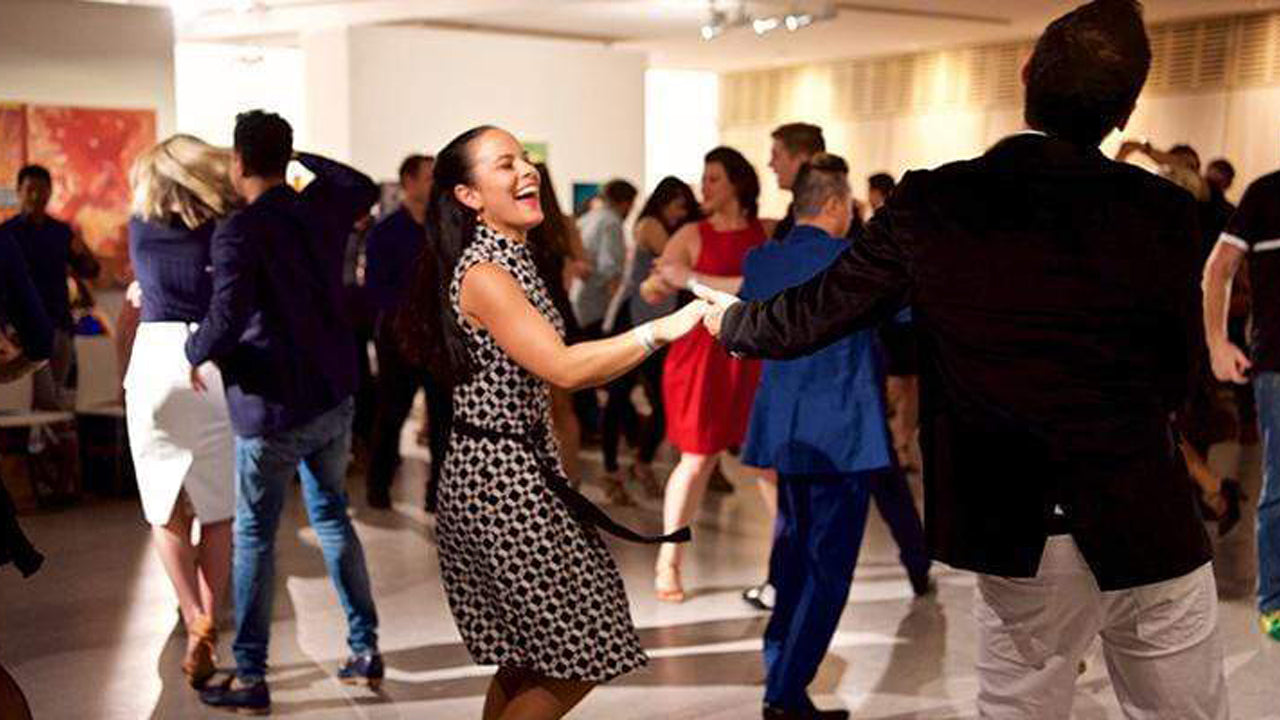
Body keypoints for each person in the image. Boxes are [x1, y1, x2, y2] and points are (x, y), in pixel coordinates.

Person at [702, 1, 1228, 716]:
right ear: (1126, 110)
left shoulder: (936, 199)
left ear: (1026, 74)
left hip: (1018, 519)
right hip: (1145, 508)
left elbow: (820, 310)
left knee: (1018, 705)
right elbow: (1176, 372)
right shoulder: (1165, 210)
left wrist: (733, 320)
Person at [397, 125, 706, 720]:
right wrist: (660, 330)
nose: (526, 171)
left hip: (515, 471)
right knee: (582, 646)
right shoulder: (487, 273)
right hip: (501, 484)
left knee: (531, 654)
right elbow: (563, 367)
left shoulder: (512, 258)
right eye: (504, 164)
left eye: (525, 159)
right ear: (469, 195)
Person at [189, 111, 383, 714]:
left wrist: (192, 351)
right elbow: (361, 184)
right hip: (331, 393)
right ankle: (365, 648)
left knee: (254, 537)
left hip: (271, 407)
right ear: (285, 156)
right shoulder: (318, 206)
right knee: (333, 519)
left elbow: (225, 321)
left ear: (237, 162)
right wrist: (301, 159)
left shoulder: (239, 230)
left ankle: (251, 676)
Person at [738, 153, 917, 720]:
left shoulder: (763, 259)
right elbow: (908, 321)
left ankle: (779, 670)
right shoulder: (853, 262)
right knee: (827, 570)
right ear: (837, 204)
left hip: (785, 432)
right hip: (841, 434)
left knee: (792, 558)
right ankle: (786, 692)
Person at [123, 134, 241, 690]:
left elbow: (145, 292)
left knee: (164, 509)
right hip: (207, 361)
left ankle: (193, 615)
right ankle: (212, 616)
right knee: (217, 510)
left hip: (153, 360)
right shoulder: (221, 226)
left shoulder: (139, 226)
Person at [641, 146, 766, 603]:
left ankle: (784, 566)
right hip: (701, 359)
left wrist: (688, 277)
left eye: (713, 178)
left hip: (751, 355)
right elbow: (653, 289)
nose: (704, 187)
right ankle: (668, 561)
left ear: (737, 183)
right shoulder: (692, 232)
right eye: (704, 177)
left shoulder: (767, 232)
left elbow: (761, 287)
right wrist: (658, 282)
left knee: (768, 463)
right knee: (696, 460)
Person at [1205, 165, 1280, 641]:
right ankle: (1274, 599)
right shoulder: (1267, 194)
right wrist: (1217, 343)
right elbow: (1219, 268)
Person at [599, 177, 701, 501]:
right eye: (677, 206)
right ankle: (611, 471)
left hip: (656, 324)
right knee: (618, 398)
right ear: (663, 202)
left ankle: (641, 463)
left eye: (685, 208)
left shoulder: (673, 229)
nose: (680, 213)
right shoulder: (650, 225)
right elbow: (676, 260)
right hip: (630, 319)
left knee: (661, 402)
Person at [365, 153, 455, 511]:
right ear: (409, 181)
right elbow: (377, 290)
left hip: (439, 339)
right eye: (430, 177)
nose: (436, 184)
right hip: (398, 339)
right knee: (391, 414)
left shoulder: (444, 229)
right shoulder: (386, 231)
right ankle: (378, 487)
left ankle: (438, 494)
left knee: (443, 420)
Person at [1, 164, 101, 410]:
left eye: (42, 190)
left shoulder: (61, 232)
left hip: (60, 324)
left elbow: (90, 270)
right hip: (22, 329)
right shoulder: (7, 233)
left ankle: (47, 435)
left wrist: (82, 250)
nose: (36, 196)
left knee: (55, 393)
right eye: (30, 190)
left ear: (50, 192)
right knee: (40, 398)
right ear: (19, 191)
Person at [525, 163, 592, 486]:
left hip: (529, 316)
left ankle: (554, 481)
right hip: (558, 314)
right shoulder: (562, 222)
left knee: (539, 406)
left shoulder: (520, 222)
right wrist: (566, 272)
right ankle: (570, 480)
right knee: (562, 407)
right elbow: (584, 266)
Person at [570, 179, 639, 445]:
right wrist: (614, 314)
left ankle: (600, 426)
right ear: (625, 202)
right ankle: (621, 429)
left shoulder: (588, 218)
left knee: (588, 371)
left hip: (580, 303)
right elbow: (611, 270)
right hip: (597, 308)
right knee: (611, 373)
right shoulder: (611, 222)